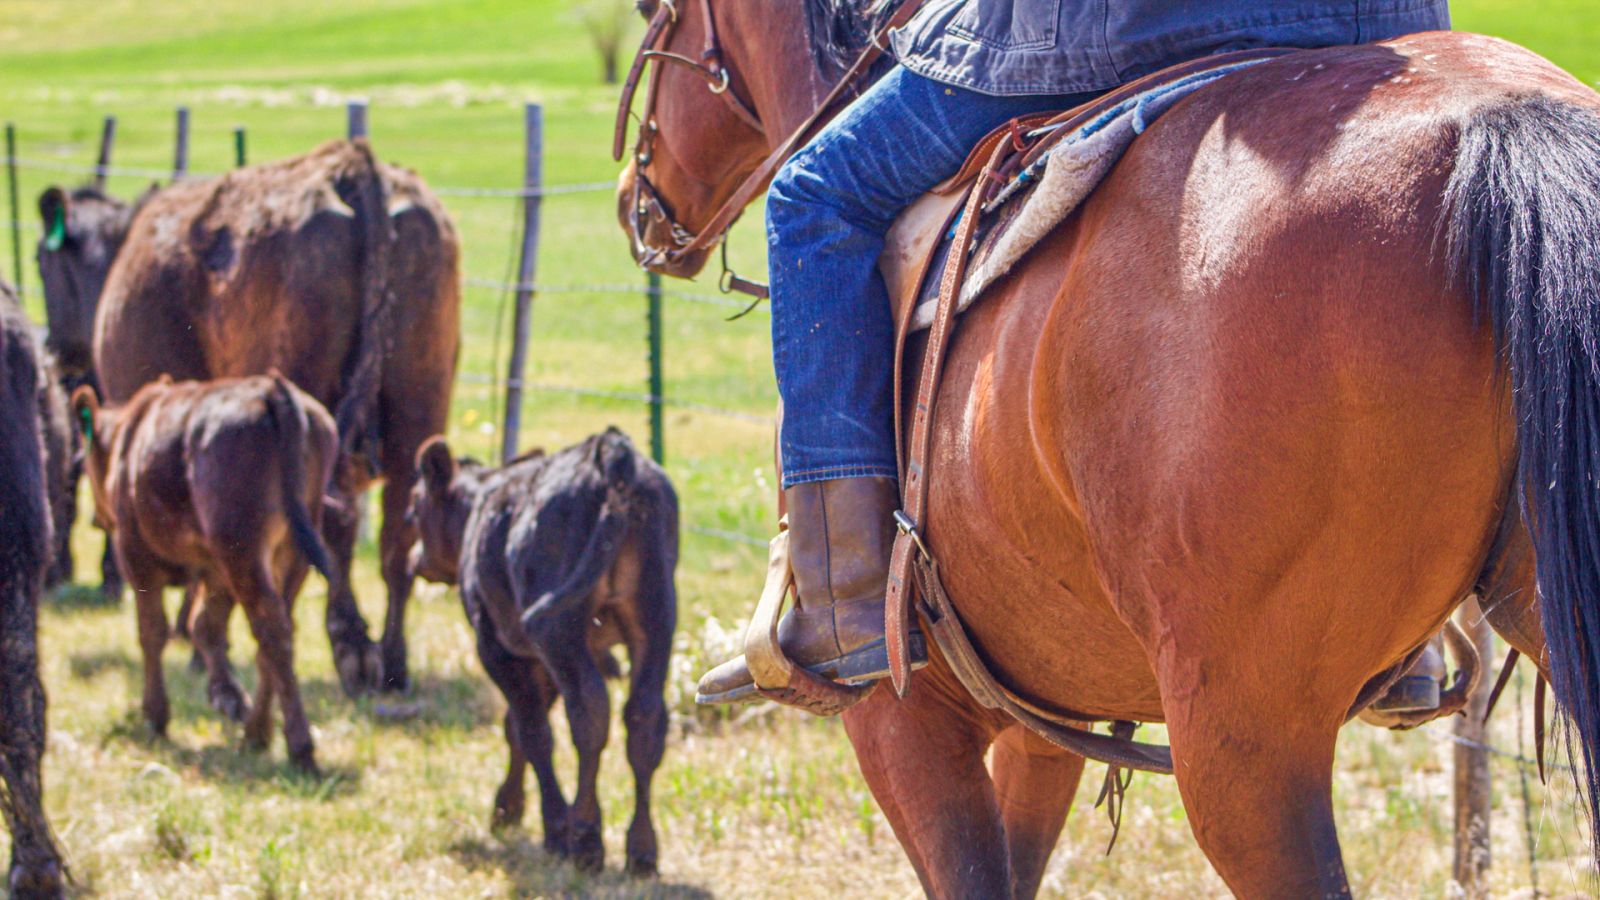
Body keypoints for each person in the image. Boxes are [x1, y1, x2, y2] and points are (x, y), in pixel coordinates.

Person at [697, 0, 1452, 709]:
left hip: (1120, 28)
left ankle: (842, 597)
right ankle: (1412, 615)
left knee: (815, 196)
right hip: (1375, 21)